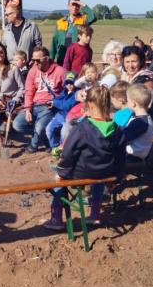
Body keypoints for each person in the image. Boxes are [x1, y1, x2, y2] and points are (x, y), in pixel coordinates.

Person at [43, 86, 124, 230]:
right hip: (106, 171)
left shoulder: (82, 128)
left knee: (59, 180)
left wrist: (61, 172)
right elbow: (120, 155)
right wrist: (117, 176)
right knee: (99, 176)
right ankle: (94, 215)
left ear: (90, 105)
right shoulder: (117, 128)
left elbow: (69, 153)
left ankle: (56, 219)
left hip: (83, 171)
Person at [12, 47, 66, 153]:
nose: (35, 63)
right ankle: (45, 136)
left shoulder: (60, 71)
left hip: (49, 107)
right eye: (33, 60)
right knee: (17, 124)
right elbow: (29, 91)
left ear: (47, 58)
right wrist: (27, 109)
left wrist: (56, 103)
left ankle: (33, 145)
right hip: (34, 105)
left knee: (39, 126)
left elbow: (67, 91)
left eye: (38, 60)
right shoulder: (33, 71)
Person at [50, 0, 97, 65]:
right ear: (68, 6)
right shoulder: (60, 22)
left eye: (77, 5)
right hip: (62, 56)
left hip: (77, 58)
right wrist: (51, 59)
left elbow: (93, 17)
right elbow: (54, 42)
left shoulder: (83, 20)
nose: (75, 7)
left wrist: (84, 5)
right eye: (72, 5)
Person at [121, 84, 153, 162]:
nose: (126, 102)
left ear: (134, 103)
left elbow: (122, 138)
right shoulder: (145, 118)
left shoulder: (140, 122)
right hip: (138, 155)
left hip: (132, 157)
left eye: (128, 100)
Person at [45, 71, 80, 148]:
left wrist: (54, 103)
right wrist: (52, 102)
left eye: (71, 83)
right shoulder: (64, 91)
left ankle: (62, 149)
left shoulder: (77, 94)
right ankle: (54, 147)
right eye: (67, 83)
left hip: (69, 118)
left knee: (64, 133)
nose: (69, 85)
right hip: (60, 115)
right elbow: (58, 99)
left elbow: (66, 106)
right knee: (48, 129)